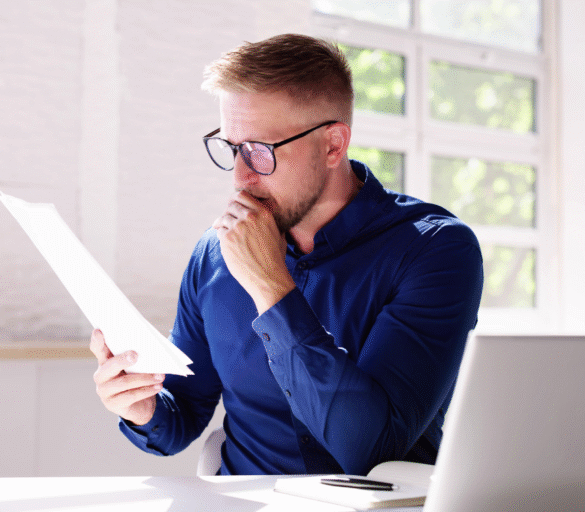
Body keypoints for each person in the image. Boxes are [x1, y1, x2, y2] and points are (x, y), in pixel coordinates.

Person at [90, 33, 483, 476]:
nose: (240, 176)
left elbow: (372, 450)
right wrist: (142, 408)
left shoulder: (435, 250)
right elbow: (180, 416)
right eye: (232, 147)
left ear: (333, 145)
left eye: (259, 151)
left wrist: (270, 287)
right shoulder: (213, 255)